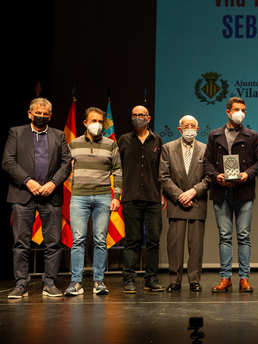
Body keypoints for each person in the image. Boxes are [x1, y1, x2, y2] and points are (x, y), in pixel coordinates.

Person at [2, 98, 71, 299]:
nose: (41, 116)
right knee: (21, 243)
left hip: (51, 195)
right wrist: (27, 181)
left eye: (45, 114)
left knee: (53, 243)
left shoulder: (59, 135)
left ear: (50, 115)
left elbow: (66, 164)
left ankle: (49, 283)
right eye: (37, 113)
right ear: (30, 113)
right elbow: (7, 161)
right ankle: (20, 284)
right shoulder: (16, 132)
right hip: (23, 194)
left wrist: (52, 184)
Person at [203, 98, 258, 293]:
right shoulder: (214, 135)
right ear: (228, 112)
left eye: (243, 110)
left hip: (243, 191)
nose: (240, 113)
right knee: (224, 236)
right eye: (237, 110)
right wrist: (215, 176)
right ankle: (225, 277)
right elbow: (207, 162)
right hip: (221, 191)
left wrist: (247, 174)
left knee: (244, 236)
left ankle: (244, 278)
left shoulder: (252, 135)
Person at [64, 107, 122, 296]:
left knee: (99, 240)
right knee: (78, 240)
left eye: (100, 121)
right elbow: (64, 169)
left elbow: (118, 172)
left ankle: (99, 281)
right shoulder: (73, 143)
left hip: (103, 196)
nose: (97, 125)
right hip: (79, 197)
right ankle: (76, 282)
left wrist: (116, 197)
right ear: (85, 123)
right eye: (93, 121)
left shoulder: (110, 145)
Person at [160, 115, 211, 292]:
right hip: (177, 202)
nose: (189, 129)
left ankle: (194, 280)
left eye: (193, 126)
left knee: (196, 244)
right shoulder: (168, 148)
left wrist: (194, 191)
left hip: (197, 200)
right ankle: (174, 280)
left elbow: (209, 177)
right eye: (185, 126)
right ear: (179, 129)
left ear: (197, 129)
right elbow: (163, 177)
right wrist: (180, 195)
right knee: (174, 243)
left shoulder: (206, 149)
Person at [118, 105, 165, 293]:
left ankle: (151, 279)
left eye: (142, 115)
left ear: (149, 118)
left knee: (153, 240)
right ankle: (128, 279)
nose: (138, 117)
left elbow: (162, 171)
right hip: (130, 197)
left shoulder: (158, 140)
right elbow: (117, 169)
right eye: (135, 115)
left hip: (153, 198)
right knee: (132, 240)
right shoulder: (123, 140)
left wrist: (163, 193)